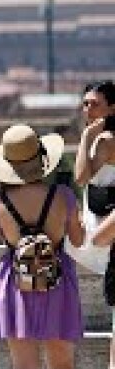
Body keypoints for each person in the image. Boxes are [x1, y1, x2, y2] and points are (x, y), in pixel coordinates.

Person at [0, 124, 83, 369]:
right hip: (57, 281)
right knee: (62, 366)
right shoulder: (63, 195)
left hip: (15, 282)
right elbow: (77, 241)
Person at [70, 80, 115, 275]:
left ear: (112, 109)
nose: (88, 109)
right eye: (85, 104)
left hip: (105, 228)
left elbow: (80, 178)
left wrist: (86, 136)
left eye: (95, 104)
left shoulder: (106, 141)